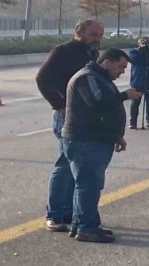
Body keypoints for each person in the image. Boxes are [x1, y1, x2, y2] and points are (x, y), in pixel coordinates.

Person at [62, 48, 141, 243]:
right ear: (106, 62)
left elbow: (106, 112)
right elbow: (97, 104)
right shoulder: (87, 77)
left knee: (88, 185)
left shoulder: (101, 79)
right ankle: (86, 228)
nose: (122, 72)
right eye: (120, 67)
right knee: (87, 186)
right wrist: (125, 96)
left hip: (97, 139)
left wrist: (116, 136)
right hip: (85, 140)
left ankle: (82, 223)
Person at [36, 19, 104, 233]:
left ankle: (69, 212)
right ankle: (54, 214)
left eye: (100, 35)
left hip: (84, 118)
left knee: (79, 167)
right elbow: (42, 79)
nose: (97, 39)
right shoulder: (62, 52)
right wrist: (59, 104)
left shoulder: (90, 54)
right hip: (66, 117)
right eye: (94, 34)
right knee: (65, 164)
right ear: (79, 32)